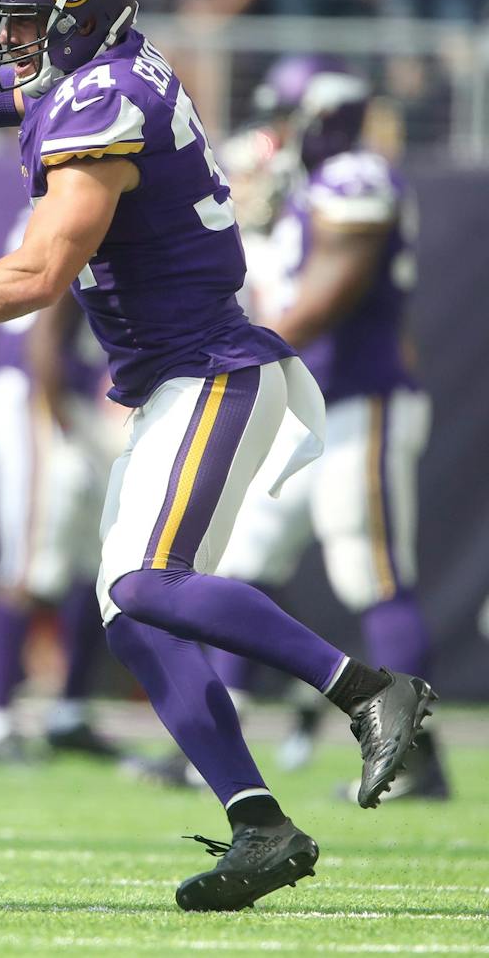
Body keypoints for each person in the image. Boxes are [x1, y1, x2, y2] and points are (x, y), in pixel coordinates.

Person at [0, 0, 436, 913]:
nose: (5, 45)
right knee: (129, 618)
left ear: (77, 19)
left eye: (21, 25)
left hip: (215, 370)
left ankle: (366, 688)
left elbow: (41, 270)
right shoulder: (92, 68)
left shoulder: (106, 98)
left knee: (147, 582)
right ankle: (260, 824)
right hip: (175, 377)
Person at [211, 55, 447, 799]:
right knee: (238, 563)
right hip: (308, 407)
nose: (275, 136)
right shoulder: (306, 192)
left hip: (360, 401)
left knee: (368, 569)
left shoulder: (354, 180)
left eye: (287, 119)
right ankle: (214, 746)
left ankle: (419, 762)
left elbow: (324, 294)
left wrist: (241, 350)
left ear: (316, 118)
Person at [0, 210, 120, 764]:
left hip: (67, 399)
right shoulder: (73, 198)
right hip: (37, 393)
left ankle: (70, 713)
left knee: (99, 563)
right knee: (32, 565)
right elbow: (45, 323)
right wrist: (53, 413)